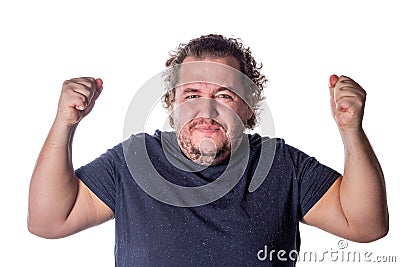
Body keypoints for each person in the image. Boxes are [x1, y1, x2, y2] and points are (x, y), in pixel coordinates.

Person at [28, 34, 389, 266]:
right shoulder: (134, 161)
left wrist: (350, 131)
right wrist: (65, 122)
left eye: (224, 96)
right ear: (172, 104)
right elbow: (48, 221)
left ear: (248, 108)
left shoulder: (280, 165)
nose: (207, 111)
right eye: (192, 95)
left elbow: (366, 225)